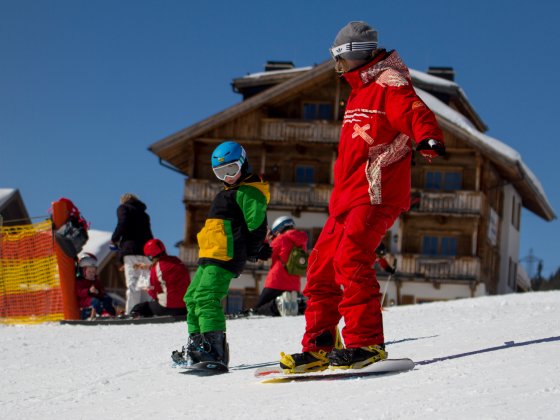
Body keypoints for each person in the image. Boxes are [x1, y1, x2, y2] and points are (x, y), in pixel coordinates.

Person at [279, 21, 445, 374]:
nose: (336, 66)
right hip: (347, 197)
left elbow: (414, 109)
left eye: (339, 58)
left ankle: (366, 341)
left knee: (352, 257)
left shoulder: (389, 82)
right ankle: (320, 344)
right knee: (321, 267)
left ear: (355, 55)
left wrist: (427, 136)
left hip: (376, 190)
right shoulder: (357, 90)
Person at [171, 141, 271, 368]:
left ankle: (213, 350)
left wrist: (255, 250)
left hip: (226, 253)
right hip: (211, 253)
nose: (227, 177)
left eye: (231, 170)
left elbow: (256, 224)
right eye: (221, 173)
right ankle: (197, 346)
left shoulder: (250, 191)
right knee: (192, 297)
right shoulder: (230, 191)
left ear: (243, 164)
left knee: (207, 297)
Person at [254, 216, 308, 317]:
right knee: (287, 309)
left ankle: (278, 306)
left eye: (276, 233)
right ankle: (299, 305)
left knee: (258, 310)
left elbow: (264, 255)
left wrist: (266, 240)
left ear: (280, 229)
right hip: (294, 285)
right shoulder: (302, 242)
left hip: (276, 282)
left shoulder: (281, 239)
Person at [110, 193, 154, 314]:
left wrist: (114, 238)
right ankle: (146, 311)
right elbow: (149, 234)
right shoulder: (144, 214)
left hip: (131, 250)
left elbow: (122, 223)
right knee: (145, 283)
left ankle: (132, 312)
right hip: (145, 252)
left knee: (133, 283)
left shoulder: (124, 208)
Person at [129, 239, 191, 318]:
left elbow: (154, 292)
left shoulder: (156, 267)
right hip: (185, 307)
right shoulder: (177, 261)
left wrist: (147, 289)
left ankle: (134, 315)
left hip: (168, 307)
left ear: (150, 256)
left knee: (142, 307)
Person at [75, 253, 116, 319]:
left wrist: (98, 292)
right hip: (85, 302)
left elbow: (102, 290)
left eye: (93, 272)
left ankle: (111, 313)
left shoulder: (95, 281)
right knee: (95, 301)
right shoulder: (80, 281)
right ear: (83, 271)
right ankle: (99, 314)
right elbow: (79, 293)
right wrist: (89, 291)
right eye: (89, 272)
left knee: (107, 299)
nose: (92, 274)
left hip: (96, 299)